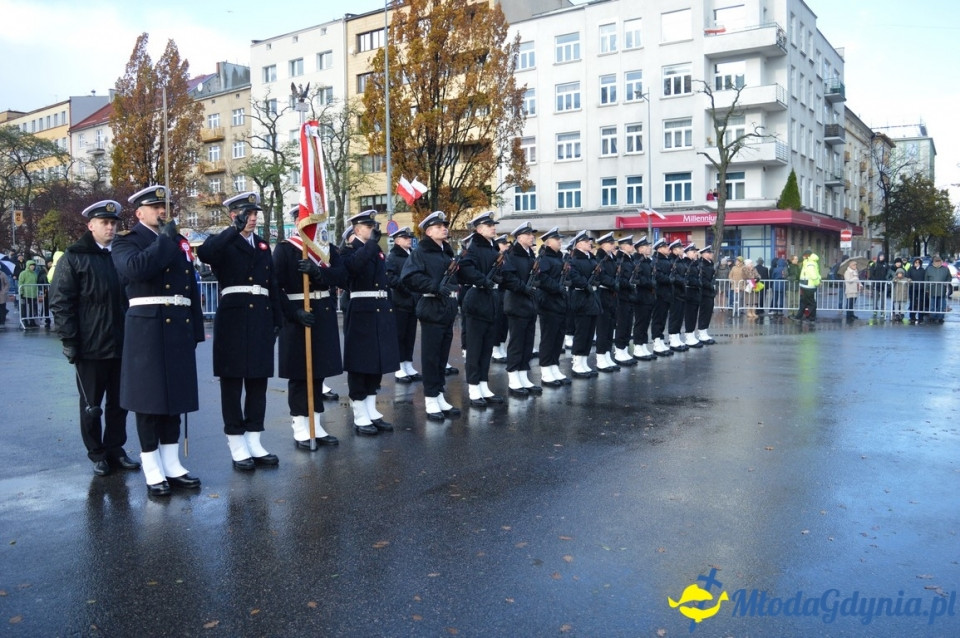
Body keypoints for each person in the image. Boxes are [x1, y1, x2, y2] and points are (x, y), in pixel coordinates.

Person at [112, 186, 204, 496]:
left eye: (166, 206)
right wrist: (165, 240)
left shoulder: (178, 242)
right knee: (149, 401)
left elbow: (190, 284)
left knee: (174, 400)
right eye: (156, 206)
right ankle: (152, 465)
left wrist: (195, 329)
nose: (163, 211)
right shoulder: (126, 241)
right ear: (139, 212)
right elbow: (135, 269)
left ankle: (171, 462)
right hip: (147, 327)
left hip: (178, 324)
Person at [49, 199, 139, 477]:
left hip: (122, 342)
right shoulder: (75, 257)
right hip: (90, 345)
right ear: (91, 226)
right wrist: (70, 341)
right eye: (105, 223)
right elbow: (62, 302)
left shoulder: (121, 255)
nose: (111, 228)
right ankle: (96, 452)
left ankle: (115, 448)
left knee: (119, 403)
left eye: (114, 223)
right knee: (91, 405)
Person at [196, 192, 283, 470]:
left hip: (260, 316)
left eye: (256, 213)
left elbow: (272, 282)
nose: (254, 218)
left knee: (258, 382)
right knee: (233, 384)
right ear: (235, 215)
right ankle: (236, 441)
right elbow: (206, 253)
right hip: (233, 317)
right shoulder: (224, 241)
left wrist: (277, 318)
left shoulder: (261, 245)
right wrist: (232, 230)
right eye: (248, 213)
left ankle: (254, 439)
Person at [274, 207, 344, 449]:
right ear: (296, 222)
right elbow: (275, 287)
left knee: (318, 371)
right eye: (303, 219)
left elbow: (342, 276)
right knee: (299, 373)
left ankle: (316, 423)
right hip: (297, 314)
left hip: (322, 312)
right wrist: (293, 313)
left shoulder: (326, 249)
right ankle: (300, 424)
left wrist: (319, 272)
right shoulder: (285, 249)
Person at [339, 210, 400, 434]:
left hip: (380, 309)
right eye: (368, 225)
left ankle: (371, 409)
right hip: (361, 310)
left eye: (373, 224)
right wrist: (371, 246)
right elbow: (352, 268)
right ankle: (359, 413)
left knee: (377, 362)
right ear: (356, 230)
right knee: (360, 363)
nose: (373, 228)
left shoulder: (375, 251)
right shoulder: (348, 251)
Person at [400, 211, 461, 421]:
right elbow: (409, 277)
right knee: (431, 356)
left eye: (445, 225)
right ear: (428, 231)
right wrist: (434, 287)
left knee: (442, 356)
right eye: (438, 226)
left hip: (447, 307)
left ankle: (439, 394)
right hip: (431, 305)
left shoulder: (446, 252)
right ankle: (430, 399)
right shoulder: (420, 252)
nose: (444, 228)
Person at [458, 212, 506, 407]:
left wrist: (500, 279)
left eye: (493, 225)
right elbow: (465, 268)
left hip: (490, 300)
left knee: (487, 347)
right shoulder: (474, 247)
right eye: (489, 225)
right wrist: (483, 280)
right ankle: (473, 388)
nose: (493, 227)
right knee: (475, 348)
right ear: (478, 229)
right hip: (477, 299)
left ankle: (484, 385)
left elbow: (501, 272)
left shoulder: (492, 247)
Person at [501, 221, 542, 396]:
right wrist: (523, 287)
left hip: (530, 304)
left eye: (532, 234)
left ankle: (523, 374)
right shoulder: (512, 255)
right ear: (519, 237)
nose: (532, 236)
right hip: (517, 303)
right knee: (517, 342)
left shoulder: (530, 255)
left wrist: (535, 285)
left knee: (527, 342)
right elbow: (508, 277)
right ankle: (513, 376)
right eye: (528, 234)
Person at [532, 227, 569, 386]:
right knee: (549, 337)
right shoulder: (544, 258)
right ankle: (546, 369)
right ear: (547, 242)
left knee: (558, 337)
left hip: (560, 301)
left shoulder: (559, 258)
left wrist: (566, 284)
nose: (560, 241)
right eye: (557, 239)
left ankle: (554, 366)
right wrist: (557, 287)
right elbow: (543, 278)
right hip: (548, 301)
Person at [385, 226, 421, 385]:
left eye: (409, 238)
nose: (409, 240)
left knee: (410, 334)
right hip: (400, 300)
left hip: (412, 301)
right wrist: (407, 289)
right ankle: (399, 367)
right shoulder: (393, 257)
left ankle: (408, 363)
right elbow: (391, 278)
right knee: (399, 335)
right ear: (397, 240)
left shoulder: (411, 254)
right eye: (405, 238)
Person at [566, 230, 602, 376]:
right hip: (581, 297)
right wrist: (586, 284)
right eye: (587, 241)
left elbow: (601, 274)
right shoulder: (573, 260)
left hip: (592, 298)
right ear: (579, 243)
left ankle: (584, 361)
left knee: (589, 332)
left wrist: (596, 282)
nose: (590, 243)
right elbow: (574, 276)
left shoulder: (591, 259)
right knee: (581, 332)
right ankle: (577, 362)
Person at [593, 232, 620, 370]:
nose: (613, 245)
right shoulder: (600, 258)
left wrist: (617, 283)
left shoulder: (611, 258)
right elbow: (601, 276)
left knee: (610, 327)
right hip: (603, 294)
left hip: (612, 295)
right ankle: (600, 357)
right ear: (603, 245)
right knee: (603, 328)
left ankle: (607, 355)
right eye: (610, 243)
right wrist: (614, 283)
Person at [629, 236, 657, 360]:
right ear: (640, 249)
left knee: (646, 322)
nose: (649, 248)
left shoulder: (648, 261)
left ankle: (643, 345)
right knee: (640, 322)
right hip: (641, 296)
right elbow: (637, 278)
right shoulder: (637, 262)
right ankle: (638, 346)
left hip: (649, 296)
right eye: (646, 246)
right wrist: (649, 283)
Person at [612, 236, 638, 365]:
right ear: (622, 246)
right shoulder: (620, 259)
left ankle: (624, 349)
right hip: (622, 296)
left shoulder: (629, 259)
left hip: (630, 296)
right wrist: (628, 284)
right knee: (622, 324)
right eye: (629, 244)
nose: (632, 246)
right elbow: (618, 278)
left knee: (628, 324)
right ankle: (619, 350)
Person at [649, 239, 674, 356]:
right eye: (665, 247)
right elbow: (658, 275)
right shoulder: (657, 260)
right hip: (660, 294)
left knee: (663, 318)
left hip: (666, 294)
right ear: (659, 248)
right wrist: (669, 279)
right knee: (658, 318)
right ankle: (656, 342)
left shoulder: (666, 260)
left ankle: (660, 339)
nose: (668, 248)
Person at [666, 240, 688, 352]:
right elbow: (673, 276)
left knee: (679, 316)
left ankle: (677, 336)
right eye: (679, 248)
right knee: (674, 316)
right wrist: (682, 281)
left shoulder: (680, 260)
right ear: (674, 250)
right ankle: (672, 337)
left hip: (681, 292)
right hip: (674, 292)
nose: (682, 250)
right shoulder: (671, 261)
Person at [681, 243, 703, 347]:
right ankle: (688, 335)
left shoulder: (693, 263)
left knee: (694, 314)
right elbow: (688, 278)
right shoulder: (686, 263)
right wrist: (697, 282)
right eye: (693, 252)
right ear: (687, 252)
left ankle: (691, 334)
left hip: (695, 292)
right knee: (690, 315)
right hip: (689, 292)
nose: (695, 254)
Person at [695, 245, 717, 345]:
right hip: (704, 292)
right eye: (709, 253)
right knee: (704, 312)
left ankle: (704, 331)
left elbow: (712, 277)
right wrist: (710, 285)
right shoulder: (701, 264)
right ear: (703, 254)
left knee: (708, 312)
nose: (711, 254)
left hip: (710, 291)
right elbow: (702, 279)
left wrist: (713, 285)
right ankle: (701, 332)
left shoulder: (710, 263)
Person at [793, 249, 821, 322]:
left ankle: (811, 318)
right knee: (804, 302)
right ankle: (799, 316)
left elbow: (813, 274)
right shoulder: (808, 262)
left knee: (810, 302)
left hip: (808, 285)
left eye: (804, 255)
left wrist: (817, 282)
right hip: (806, 285)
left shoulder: (810, 263)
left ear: (807, 255)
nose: (803, 257)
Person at [924, 255, 951, 324]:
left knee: (942, 305)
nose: (938, 263)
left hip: (942, 290)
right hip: (932, 290)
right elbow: (926, 279)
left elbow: (949, 277)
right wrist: (927, 288)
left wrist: (947, 283)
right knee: (932, 304)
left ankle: (940, 317)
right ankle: (933, 317)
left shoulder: (945, 269)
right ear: (933, 262)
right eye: (936, 261)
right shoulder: (929, 269)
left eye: (939, 261)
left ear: (941, 262)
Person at [18, 259, 40, 327]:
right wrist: (21, 292)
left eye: (33, 265)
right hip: (25, 294)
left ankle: (32, 321)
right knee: (24, 308)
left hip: (33, 294)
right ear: (28, 266)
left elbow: (36, 283)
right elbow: (20, 283)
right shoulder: (23, 273)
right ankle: (24, 321)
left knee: (32, 308)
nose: (32, 267)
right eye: (31, 265)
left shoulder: (35, 274)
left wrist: (37, 292)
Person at [907, 257, 926, 324]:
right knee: (912, 303)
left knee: (921, 303)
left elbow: (925, 278)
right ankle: (912, 317)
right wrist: (909, 280)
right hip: (913, 288)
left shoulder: (922, 270)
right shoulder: (911, 269)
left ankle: (920, 318)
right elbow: (908, 276)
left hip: (921, 289)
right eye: (916, 262)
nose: (917, 263)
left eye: (918, 262)